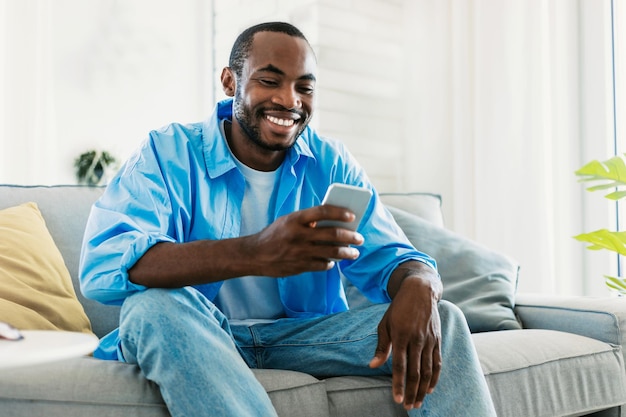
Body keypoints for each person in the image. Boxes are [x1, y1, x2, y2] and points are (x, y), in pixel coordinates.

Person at [80, 21, 496, 417]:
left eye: (304, 87)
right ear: (230, 82)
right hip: (200, 335)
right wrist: (254, 252)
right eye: (269, 80)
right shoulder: (167, 152)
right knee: (151, 306)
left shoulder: (330, 161)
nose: (289, 100)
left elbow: (392, 257)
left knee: (443, 318)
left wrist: (422, 281)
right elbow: (105, 265)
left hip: (305, 339)